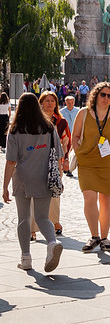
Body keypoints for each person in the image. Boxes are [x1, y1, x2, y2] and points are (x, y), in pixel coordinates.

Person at [2, 93, 64, 272]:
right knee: (43, 217)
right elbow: (58, 156)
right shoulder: (49, 127)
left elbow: (11, 161)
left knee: (23, 218)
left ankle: (26, 258)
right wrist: (58, 177)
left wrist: (5, 186)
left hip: (22, 178)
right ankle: (52, 243)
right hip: (44, 177)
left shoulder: (15, 130)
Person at [72, 82, 110, 253]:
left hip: (109, 163)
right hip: (87, 161)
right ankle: (94, 236)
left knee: (105, 200)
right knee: (89, 197)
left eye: (109, 95)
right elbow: (75, 135)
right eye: (102, 94)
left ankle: (104, 237)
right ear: (95, 95)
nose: (106, 98)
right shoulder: (83, 113)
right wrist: (78, 152)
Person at [30, 92, 70, 239]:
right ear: (41, 103)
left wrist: (65, 160)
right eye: (47, 100)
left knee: (54, 192)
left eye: (52, 100)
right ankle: (32, 228)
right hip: (37, 161)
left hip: (55, 162)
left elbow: (66, 142)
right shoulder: (34, 121)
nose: (50, 103)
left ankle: (54, 222)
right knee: (35, 194)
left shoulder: (61, 122)